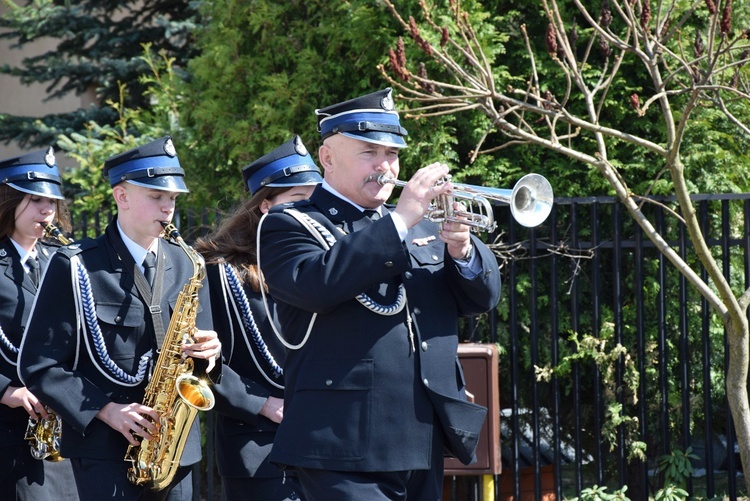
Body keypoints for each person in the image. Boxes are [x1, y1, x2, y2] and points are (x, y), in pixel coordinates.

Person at [257, 88, 502, 500]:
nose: (385, 166)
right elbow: (316, 285)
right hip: (340, 440)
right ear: (328, 158)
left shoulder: (420, 225)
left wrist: (461, 250)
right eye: (370, 152)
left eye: (392, 154)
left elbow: (482, 299)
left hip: (422, 433)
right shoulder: (290, 223)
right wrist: (401, 220)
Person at [18, 136, 222, 501]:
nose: (168, 208)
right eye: (156, 196)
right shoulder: (76, 265)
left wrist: (210, 354)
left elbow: (197, 355)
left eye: (173, 199)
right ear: (121, 196)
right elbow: (39, 363)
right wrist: (106, 410)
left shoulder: (186, 261)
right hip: (105, 450)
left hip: (175, 451)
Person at [195, 135, 322, 501]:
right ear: (265, 205)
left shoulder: (326, 266)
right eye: (298, 200)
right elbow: (199, 360)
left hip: (326, 443)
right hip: (258, 447)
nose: (309, 210)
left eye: (314, 200)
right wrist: (261, 404)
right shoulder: (217, 272)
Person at [0, 147, 79, 500]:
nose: (47, 209)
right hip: (9, 430)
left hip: (62, 428)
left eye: (52, 201)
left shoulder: (63, 260)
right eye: (34, 200)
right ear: (8, 201)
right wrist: (6, 391)